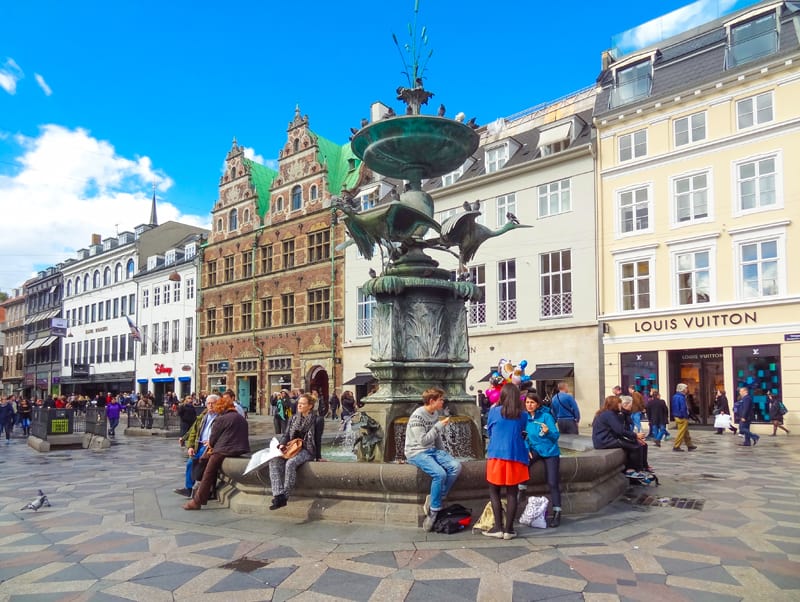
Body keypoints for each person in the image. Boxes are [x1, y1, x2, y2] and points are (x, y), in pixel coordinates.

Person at [404, 387, 462, 532]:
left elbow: (436, 439)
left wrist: (443, 454)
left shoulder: (435, 413)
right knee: (440, 474)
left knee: (456, 466)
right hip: (417, 452)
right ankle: (434, 511)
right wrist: (438, 426)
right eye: (441, 399)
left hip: (432, 451)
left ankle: (436, 496)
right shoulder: (417, 417)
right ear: (432, 401)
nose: (443, 402)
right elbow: (423, 441)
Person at [183, 394, 250, 510]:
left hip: (224, 450)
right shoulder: (240, 418)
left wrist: (211, 445)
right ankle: (208, 491)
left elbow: (212, 440)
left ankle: (198, 500)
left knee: (208, 472)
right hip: (241, 449)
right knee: (207, 461)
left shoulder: (221, 419)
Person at [484, 383, 529, 540]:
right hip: (516, 456)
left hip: (496, 455)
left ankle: (498, 527)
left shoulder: (494, 411)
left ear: (502, 396)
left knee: (494, 491)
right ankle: (509, 530)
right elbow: (523, 432)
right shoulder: (523, 415)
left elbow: (489, 431)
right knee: (512, 492)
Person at [266, 393, 319, 510]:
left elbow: (317, 439)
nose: (299, 406)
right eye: (299, 403)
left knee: (291, 463)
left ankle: (285, 496)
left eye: (302, 404)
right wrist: (281, 444)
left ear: (310, 406)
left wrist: (318, 456)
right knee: (274, 460)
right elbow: (286, 435)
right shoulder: (294, 418)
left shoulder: (317, 419)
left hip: (307, 450)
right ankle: (278, 494)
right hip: (292, 447)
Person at [524, 391, 562, 528]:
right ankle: (522, 488)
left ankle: (557, 512)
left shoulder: (546, 416)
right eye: (527, 402)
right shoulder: (525, 418)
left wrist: (548, 432)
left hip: (550, 451)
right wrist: (527, 448)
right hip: (535, 449)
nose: (529, 405)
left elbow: (556, 436)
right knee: (523, 462)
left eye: (532, 402)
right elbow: (523, 437)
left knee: (552, 482)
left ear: (538, 404)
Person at [592, 395, 649, 472]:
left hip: (604, 440)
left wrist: (634, 437)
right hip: (605, 441)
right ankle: (632, 470)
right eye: (619, 403)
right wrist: (635, 435)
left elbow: (618, 431)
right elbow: (620, 430)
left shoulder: (607, 413)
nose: (620, 405)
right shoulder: (609, 415)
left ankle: (637, 469)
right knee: (635, 446)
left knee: (635, 444)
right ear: (615, 404)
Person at [175, 396, 217, 497]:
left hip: (210, 446)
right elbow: (193, 432)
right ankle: (189, 488)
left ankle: (201, 490)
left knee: (200, 464)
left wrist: (212, 442)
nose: (210, 405)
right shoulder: (203, 417)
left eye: (213, 403)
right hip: (200, 444)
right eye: (208, 403)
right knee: (190, 463)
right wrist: (190, 446)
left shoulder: (220, 417)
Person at [671, 383, 697, 452]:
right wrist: (685, 416)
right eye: (686, 388)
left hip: (677, 415)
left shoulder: (675, 396)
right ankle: (676, 446)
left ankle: (689, 445)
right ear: (682, 389)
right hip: (681, 417)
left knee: (685, 432)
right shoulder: (682, 397)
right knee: (681, 432)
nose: (687, 389)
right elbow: (683, 408)